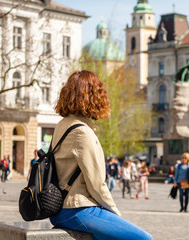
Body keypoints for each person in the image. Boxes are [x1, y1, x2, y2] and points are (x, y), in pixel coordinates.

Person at [50, 70, 152, 240]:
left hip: (60, 208)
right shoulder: (82, 132)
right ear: (93, 97)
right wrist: (115, 214)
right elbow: (97, 184)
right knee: (143, 238)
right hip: (78, 209)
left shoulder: (63, 125)